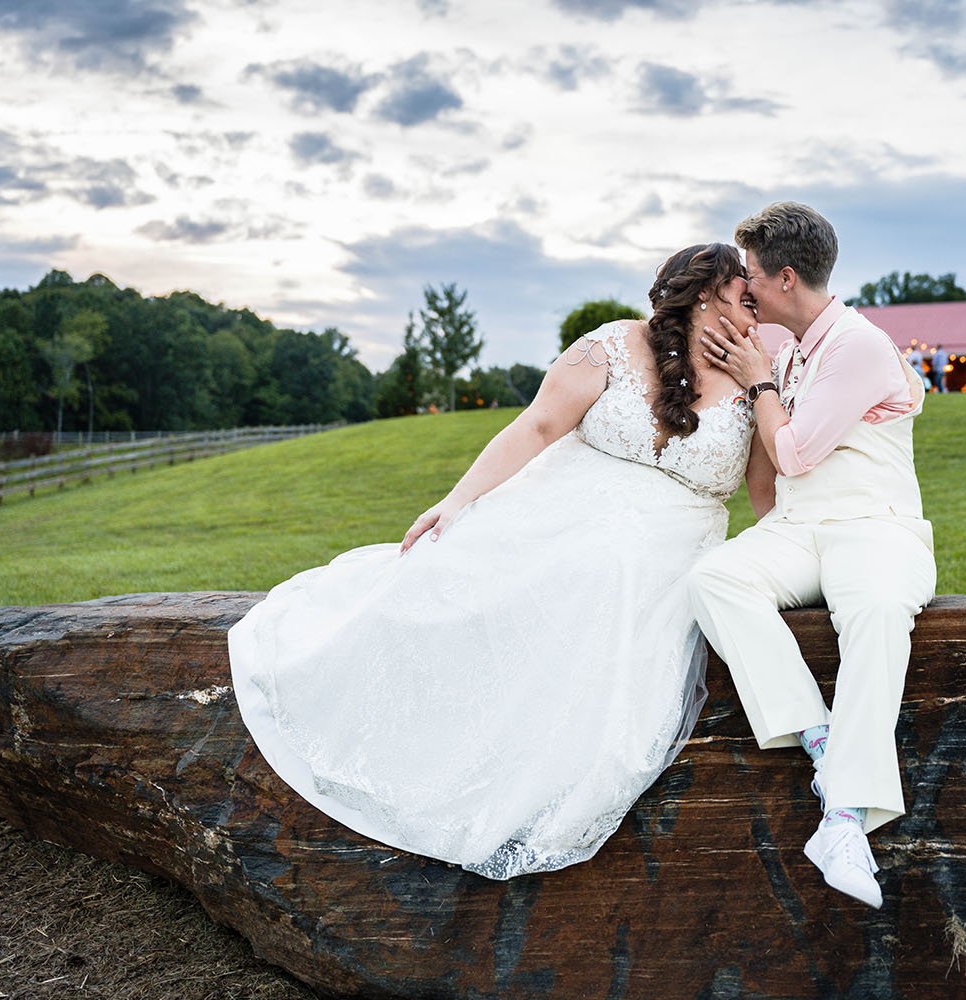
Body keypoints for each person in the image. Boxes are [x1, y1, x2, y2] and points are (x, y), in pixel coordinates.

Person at [228, 244, 760, 879]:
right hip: (561, 505)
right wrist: (455, 501)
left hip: (666, 544)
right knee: (457, 575)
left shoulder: (759, 375)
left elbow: (767, 493)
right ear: (706, 295)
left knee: (605, 584)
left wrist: (764, 386)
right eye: (744, 296)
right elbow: (536, 428)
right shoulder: (615, 345)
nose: (756, 310)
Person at [691, 202, 936, 910]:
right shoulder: (789, 343)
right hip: (802, 530)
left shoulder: (857, 344)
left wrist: (759, 381)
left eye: (754, 281)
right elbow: (772, 475)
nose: (748, 291)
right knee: (714, 577)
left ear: (787, 279)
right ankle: (824, 745)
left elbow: (794, 450)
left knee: (878, 609)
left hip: (873, 525)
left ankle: (845, 821)